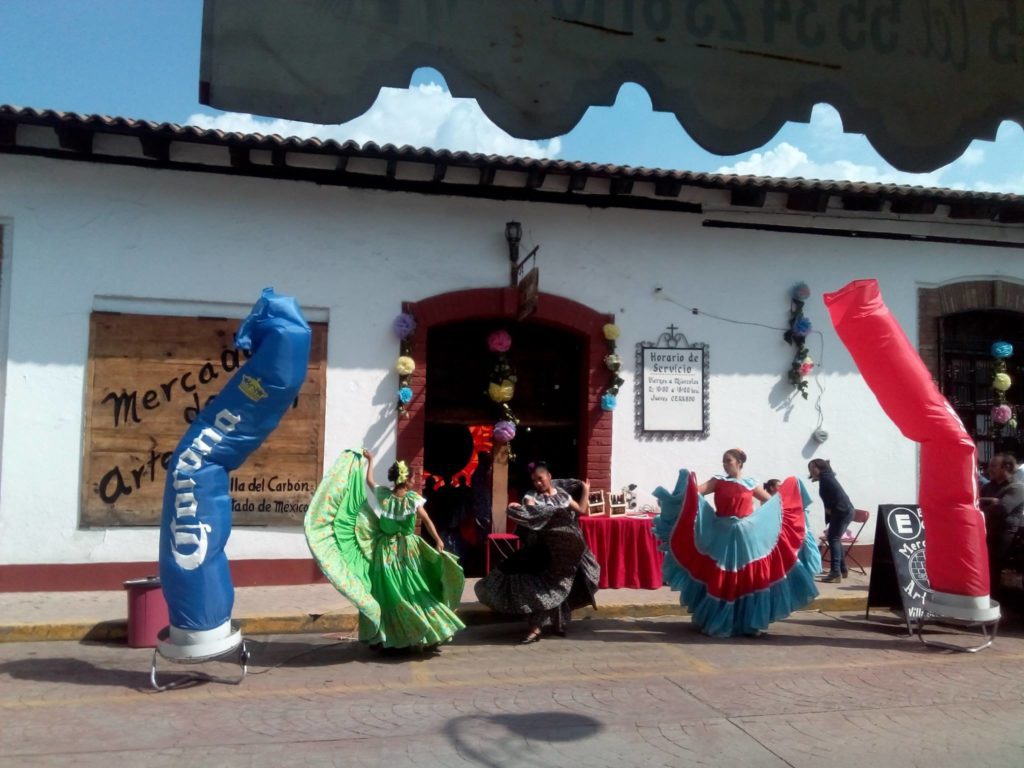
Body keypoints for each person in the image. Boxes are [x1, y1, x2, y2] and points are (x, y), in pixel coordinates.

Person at [303, 448, 465, 651]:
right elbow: (427, 520)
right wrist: (438, 540)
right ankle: (419, 630)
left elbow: (369, 480)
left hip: (385, 551)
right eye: (414, 478)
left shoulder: (384, 496)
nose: (416, 481)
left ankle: (388, 634)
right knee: (412, 589)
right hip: (408, 551)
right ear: (407, 481)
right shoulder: (413, 500)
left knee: (387, 592)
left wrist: (370, 461)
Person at [653, 448, 820, 637]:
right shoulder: (719, 481)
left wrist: (788, 502)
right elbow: (695, 492)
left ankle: (747, 622)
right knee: (723, 578)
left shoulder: (751, 483)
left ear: (739, 462)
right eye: (724, 461)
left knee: (747, 578)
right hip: (722, 534)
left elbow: (771, 502)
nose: (725, 464)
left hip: (746, 536)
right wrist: (685, 490)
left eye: (728, 460)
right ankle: (719, 619)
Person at [474, 461, 600, 644]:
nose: (538, 483)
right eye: (534, 481)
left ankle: (556, 624)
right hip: (543, 551)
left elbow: (581, 510)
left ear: (549, 477)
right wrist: (520, 508)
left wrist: (586, 490)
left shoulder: (563, 495)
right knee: (541, 588)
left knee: (561, 586)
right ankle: (536, 627)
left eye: (540, 479)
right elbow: (530, 510)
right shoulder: (531, 497)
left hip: (568, 550)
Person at [979, 452, 1024, 595]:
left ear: (1006, 467)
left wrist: (985, 503)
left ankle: (992, 595)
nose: (988, 470)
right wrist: (991, 501)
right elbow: (975, 505)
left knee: (992, 561)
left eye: (993, 466)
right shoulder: (988, 487)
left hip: (1005, 533)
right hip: (985, 529)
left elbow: (1001, 510)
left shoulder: (1017, 488)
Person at [808, 458, 856, 583]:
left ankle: (835, 573)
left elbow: (834, 497)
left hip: (841, 511)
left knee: (833, 538)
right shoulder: (827, 477)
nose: (811, 470)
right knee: (835, 537)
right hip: (845, 510)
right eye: (810, 468)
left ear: (820, 467)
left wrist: (830, 508)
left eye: (813, 467)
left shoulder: (825, 479)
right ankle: (842, 568)